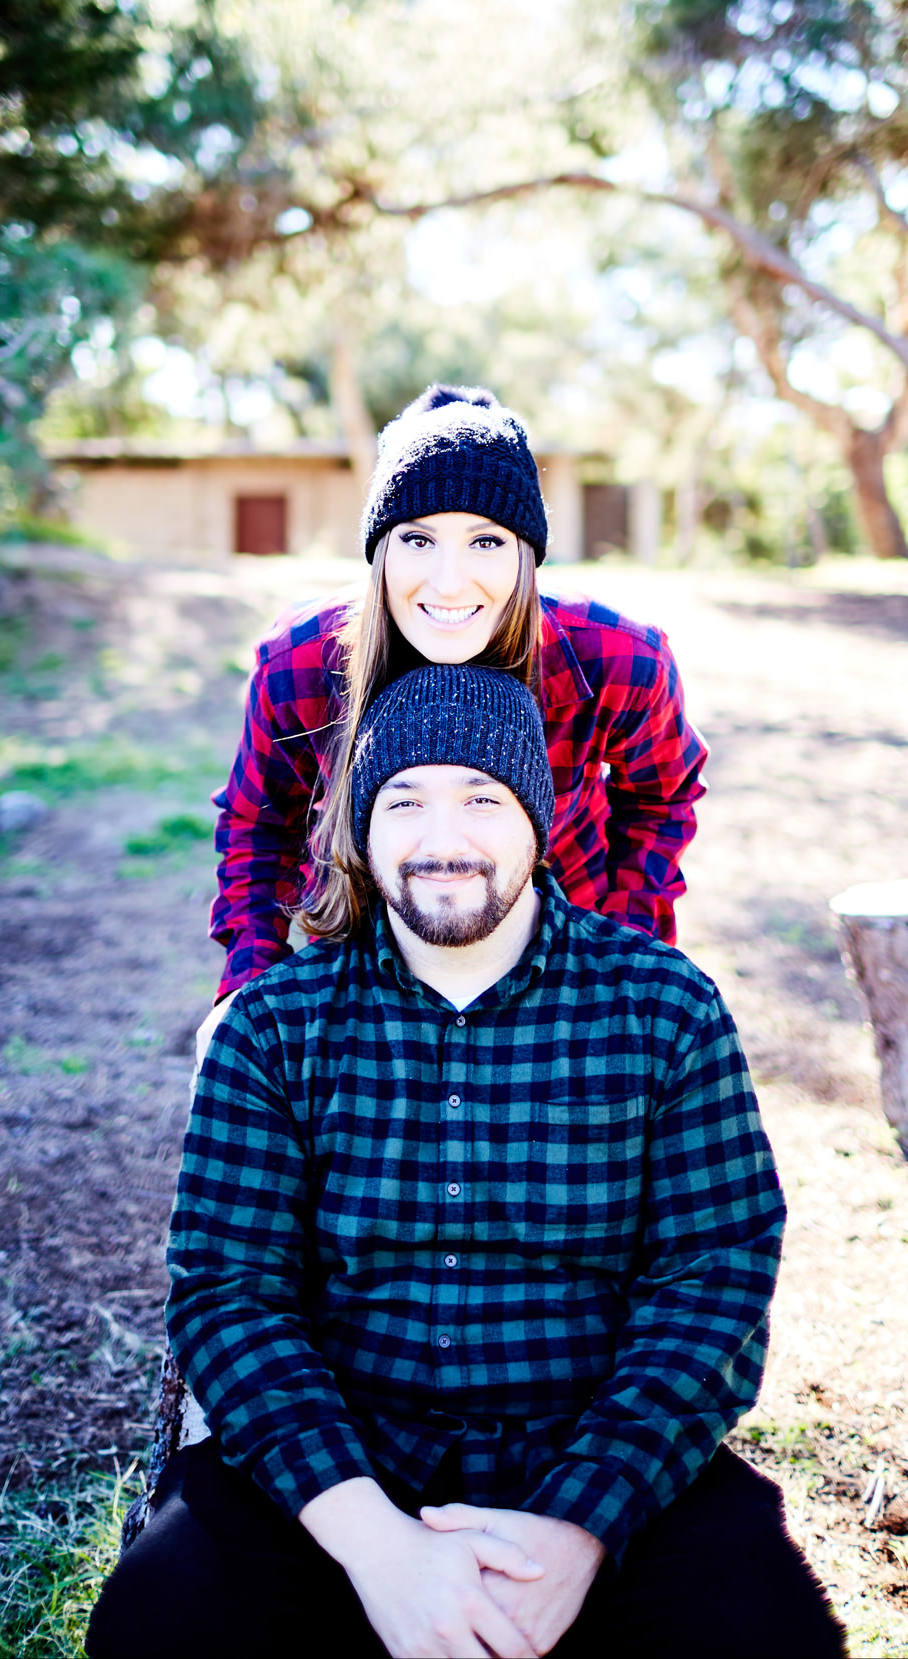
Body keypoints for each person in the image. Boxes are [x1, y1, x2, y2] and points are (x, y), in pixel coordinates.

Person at [88, 665, 846, 1659]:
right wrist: (378, 1552)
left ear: (536, 816)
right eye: (403, 802)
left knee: (762, 1637)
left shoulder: (663, 1009)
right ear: (360, 830)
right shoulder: (272, 1027)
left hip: (591, 1460)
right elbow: (226, 1297)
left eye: (481, 799)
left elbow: (713, 1279)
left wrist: (576, 1531)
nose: (442, 841)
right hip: (338, 1471)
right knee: (163, 1626)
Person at [207, 382, 707, 1006]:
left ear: (527, 556)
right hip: (359, 960)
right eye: (418, 539)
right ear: (381, 552)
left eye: (486, 541)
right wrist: (247, 997)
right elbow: (258, 826)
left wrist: (623, 960)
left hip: (559, 965)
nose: (448, 583)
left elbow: (661, 800)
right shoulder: (302, 663)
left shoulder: (618, 661)